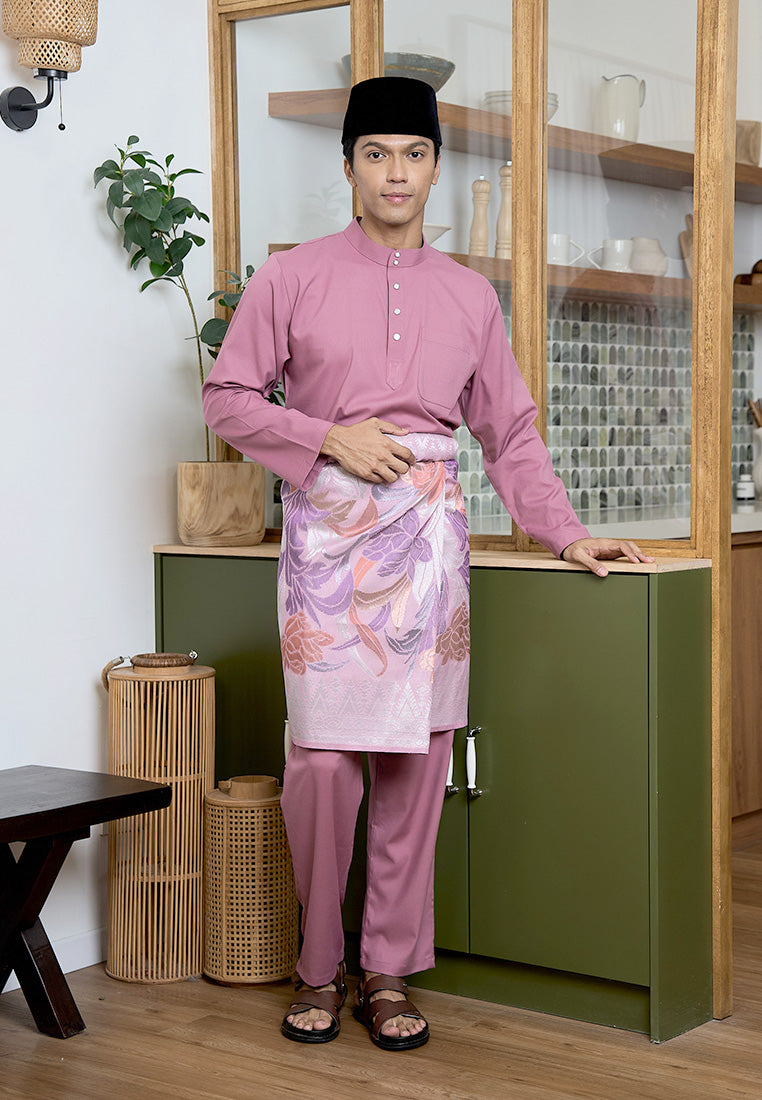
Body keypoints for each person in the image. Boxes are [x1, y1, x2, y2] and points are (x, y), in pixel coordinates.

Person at [202, 75, 653, 1052]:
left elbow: (512, 432)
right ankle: (316, 962)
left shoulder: (468, 295)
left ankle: (389, 971)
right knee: (321, 766)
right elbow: (229, 396)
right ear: (350, 166)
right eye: (376, 153)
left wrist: (565, 530)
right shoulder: (292, 277)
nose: (395, 172)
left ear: (436, 166)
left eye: (413, 153)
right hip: (325, 547)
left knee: (415, 766)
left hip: (430, 548)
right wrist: (329, 437)